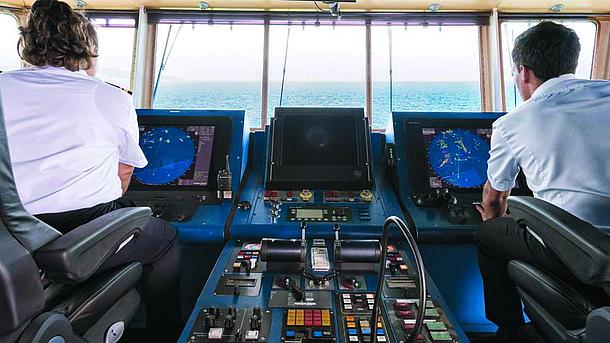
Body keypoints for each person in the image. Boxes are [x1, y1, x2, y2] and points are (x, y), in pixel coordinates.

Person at [0, 0, 181, 341]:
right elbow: (124, 176)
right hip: (79, 231)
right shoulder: (109, 97)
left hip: (8, 240)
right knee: (166, 240)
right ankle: (166, 334)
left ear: (27, 45)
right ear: (87, 50)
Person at [474, 21, 610, 342]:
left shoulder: (514, 123)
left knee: (488, 234)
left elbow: (494, 200)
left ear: (523, 71)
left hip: (583, 250)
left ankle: (509, 329)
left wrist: (495, 220)